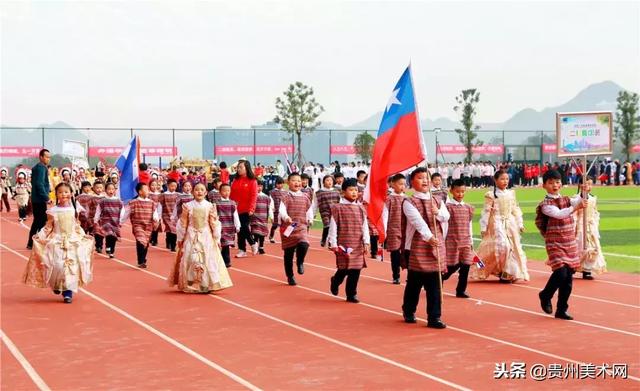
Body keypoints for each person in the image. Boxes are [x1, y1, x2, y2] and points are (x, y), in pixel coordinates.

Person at [22, 182, 95, 303]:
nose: (63, 194)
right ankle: (56, 285)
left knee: (71, 267)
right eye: (60, 192)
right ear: (56, 194)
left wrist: (83, 235)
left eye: (66, 192)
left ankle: (68, 293)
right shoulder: (53, 211)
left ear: (71, 193)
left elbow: (76, 225)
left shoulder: (74, 209)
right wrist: (40, 236)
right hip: (57, 241)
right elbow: (48, 227)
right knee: (57, 265)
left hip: (72, 241)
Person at [401, 167, 449, 329]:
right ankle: (409, 310)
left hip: (436, 245)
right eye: (420, 178)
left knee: (435, 284)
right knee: (415, 282)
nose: (425, 181)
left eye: (426, 177)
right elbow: (418, 223)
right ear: (412, 182)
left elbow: (446, 217)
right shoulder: (409, 202)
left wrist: (437, 213)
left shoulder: (437, 200)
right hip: (418, 246)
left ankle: (434, 317)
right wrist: (429, 237)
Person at [535, 170, 587, 320]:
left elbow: (578, 200)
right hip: (555, 242)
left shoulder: (566, 199)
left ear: (561, 184)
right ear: (544, 185)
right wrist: (575, 208)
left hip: (569, 241)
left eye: (557, 182)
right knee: (561, 272)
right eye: (550, 183)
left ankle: (561, 309)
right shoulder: (546, 205)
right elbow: (559, 213)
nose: (555, 185)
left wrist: (584, 191)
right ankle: (545, 295)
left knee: (568, 279)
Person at [168, 182, 233, 293]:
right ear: (193, 192)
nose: (199, 192)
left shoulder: (210, 206)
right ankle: (191, 283)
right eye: (197, 189)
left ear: (206, 192)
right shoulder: (187, 206)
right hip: (191, 235)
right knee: (192, 258)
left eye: (202, 190)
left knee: (208, 259)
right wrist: (180, 238)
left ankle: (206, 284)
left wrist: (217, 238)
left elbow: (214, 223)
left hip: (206, 236)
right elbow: (183, 222)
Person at [474, 169, 529, 283]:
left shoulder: (511, 193)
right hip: (496, 223)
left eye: (507, 179)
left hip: (510, 223)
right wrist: (483, 228)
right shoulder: (490, 195)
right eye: (502, 179)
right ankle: (495, 269)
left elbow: (515, 209)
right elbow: (486, 211)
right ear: (495, 180)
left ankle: (507, 272)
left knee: (514, 248)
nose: (505, 181)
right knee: (503, 246)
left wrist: (520, 223)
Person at [328, 178, 370, 303]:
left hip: (357, 244)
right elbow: (333, 226)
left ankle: (351, 294)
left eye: (356, 190)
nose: (354, 192)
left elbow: (365, 226)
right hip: (344, 244)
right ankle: (335, 281)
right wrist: (333, 243)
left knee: (356, 269)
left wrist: (366, 242)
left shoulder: (361, 208)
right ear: (343, 192)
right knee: (344, 268)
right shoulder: (337, 208)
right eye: (351, 190)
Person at [279, 172, 314, 286]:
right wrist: (286, 217)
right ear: (288, 182)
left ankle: (300, 262)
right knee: (288, 254)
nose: (297, 183)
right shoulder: (285, 197)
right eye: (294, 180)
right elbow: (281, 210)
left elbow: (309, 210)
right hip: (288, 228)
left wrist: (310, 219)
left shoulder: (305, 197)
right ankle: (290, 276)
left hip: (301, 226)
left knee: (304, 244)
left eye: (299, 181)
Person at [442, 179, 474, 298]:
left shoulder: (468, 208)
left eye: (462, 191)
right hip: (452, 241)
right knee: (451, 267)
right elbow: (444, 224)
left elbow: (469, 224)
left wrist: (471, 240)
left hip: (465, 241)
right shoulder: (447, 207)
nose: (460, 194)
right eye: (457, 192)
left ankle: (461, 290)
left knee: (465, 266)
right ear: (451, 191)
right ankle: (439, 280)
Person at [121, 182, 160, 268]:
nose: (148, 191)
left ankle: (143, 258)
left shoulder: (152, 203)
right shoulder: (133, 202)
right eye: (145, 189)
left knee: (145, 242)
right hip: (137, 225)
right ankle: (141, 260)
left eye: (147, 189)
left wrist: (156, 219)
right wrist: (121, 222)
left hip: (148, 226)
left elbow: (155, 212)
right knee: (140, 240)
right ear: (140, 192)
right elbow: (126, 213)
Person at [575, 178, 607, 279]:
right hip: (580, 225)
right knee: (579, 246)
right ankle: (573, 266)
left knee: (593, 247)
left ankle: (587, 269)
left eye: (590, 184)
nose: (589, 186)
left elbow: (595, 212)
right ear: (581, 185)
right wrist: (575, 226)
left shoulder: (593, 198)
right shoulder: (576, 198)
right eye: (586, 184)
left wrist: (595, 223)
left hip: (590, 225)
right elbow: (574, 213)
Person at [230, 160, 259, 257]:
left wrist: (252, 208)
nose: (238, 169)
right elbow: (232, 194)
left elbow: (254, 195)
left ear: (247, 168)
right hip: (236, 208)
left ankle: (253, 243)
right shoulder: (235, 180)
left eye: (241, 167)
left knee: (244, 227)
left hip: (247, 209)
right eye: (238, 167)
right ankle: (242, 250)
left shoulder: (252, 181)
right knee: (239, 229)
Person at [383, 173, 406, 284]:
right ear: (392, 184)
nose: (402, 186)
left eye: (404, 184)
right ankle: (396, 275)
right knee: (395, 254)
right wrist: (384, 230)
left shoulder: (407, 199)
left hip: (406, 230)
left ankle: (411, 275)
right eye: (400, 184)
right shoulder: (389, 199)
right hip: (393, 229)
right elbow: (385, 215)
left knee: (408, 253)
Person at [27, 149, 51, 250]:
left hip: (36, 198)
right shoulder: (41, 168)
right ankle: (37, 243)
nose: (48, 159)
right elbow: (39, 184)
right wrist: (46, 197)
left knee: (38, 221)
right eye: (46, 157)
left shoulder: (37, 167)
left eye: (49, 157)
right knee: (41, 221)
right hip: (40, 199)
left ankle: (31, 243)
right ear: (41, 157)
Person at [93, 182, 124, 259]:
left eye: (112, 189)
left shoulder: (118, 201)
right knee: (109, 233)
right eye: (109, 189)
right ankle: (108, 246)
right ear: (105, 190)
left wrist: (120, 220)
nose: (111, 191)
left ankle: (111, 251)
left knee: (113, 236)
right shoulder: (102, 201)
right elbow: (98, 210)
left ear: (115, 190)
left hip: (115, 221)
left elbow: (122, 210)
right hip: (106, 221)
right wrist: (95, 220)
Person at [216, 183, 240, 268]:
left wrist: (237, 225)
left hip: (229, 226)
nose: (226, 192)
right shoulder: (216, 203)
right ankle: (223, 261)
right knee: (221, 244)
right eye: (224, 191)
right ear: (220, 192)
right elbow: (215, 215)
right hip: (220, 227)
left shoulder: (232, 203)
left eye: (228, 191)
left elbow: (235, 215)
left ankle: (225, 261)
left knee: (226, 245)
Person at [316, 175, 340, 247]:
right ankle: (324, 239)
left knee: (333, 226)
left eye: (331, 180)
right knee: (327, 225)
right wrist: (312, 213)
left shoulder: (336, 191)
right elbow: (315, 203)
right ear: (323, 182)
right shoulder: (319, 192)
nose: (329, 182)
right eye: (327, 180)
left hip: (334, 211)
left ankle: (330, 241)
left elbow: (340, 202)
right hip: (324, 211)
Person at [250, 180, 273, 255]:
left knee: (262, 234)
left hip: (263, 218)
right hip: (255, 217)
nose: (259, 188)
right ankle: (255, 244)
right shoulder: (252, 196)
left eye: (261, 186)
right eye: (257, 186)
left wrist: (271, 217)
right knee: (256, 232)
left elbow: (270, 208)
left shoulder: (266, 197)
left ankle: (261, 247)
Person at [160, 179, 179, 251]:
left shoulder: (178, 195)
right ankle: (170, 243)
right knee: (171, 228)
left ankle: (172, 244)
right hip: (166, 214)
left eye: (175, 186)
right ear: (168, 186)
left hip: (175, 215)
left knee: (173, 230)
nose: (173, 187)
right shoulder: (163, 195)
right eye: (172, 186)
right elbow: (160, 205)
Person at [89, 181, 106, 253]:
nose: (99, 189)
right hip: (94, 217)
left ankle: (100, 245)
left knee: (101, 232)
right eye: (97, 188)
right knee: (97, 231)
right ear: (93, 188)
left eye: (100, 188)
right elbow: (88, 207)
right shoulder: (91, 197)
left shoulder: (104, 197)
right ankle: (98, 245)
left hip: (103, 218)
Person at [268, 177, 285, 244]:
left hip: (283, 212)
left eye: (281, 184)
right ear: (276, 184)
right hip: (276, 212)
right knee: (275, 225)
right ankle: (271, 236)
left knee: (284, 226)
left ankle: (284, 238)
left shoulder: (285, 192)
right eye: (278, 184)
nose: (280, 185)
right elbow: (270, 203)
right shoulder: (272, 192)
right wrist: (271, 214)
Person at [148, 179, 163, 246]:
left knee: (156, 226)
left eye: (155, 185)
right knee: (150, 226)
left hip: (156, 211)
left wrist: (159, 214)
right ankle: (150, 238)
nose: (154, 187)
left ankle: (155, 239)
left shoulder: (159, 195)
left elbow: (160, 205)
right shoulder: (148, 194)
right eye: (152, 185)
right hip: (149, 212)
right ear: (149, 186)